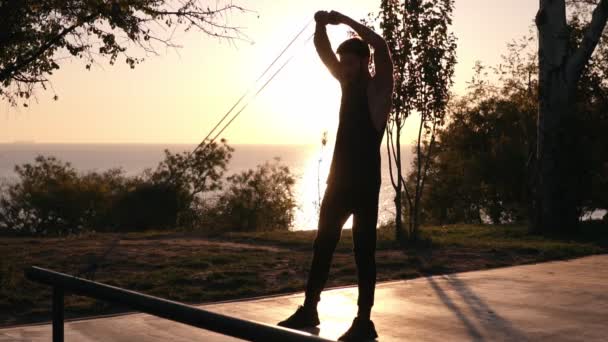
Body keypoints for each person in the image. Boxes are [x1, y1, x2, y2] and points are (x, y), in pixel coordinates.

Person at [278, 9, 394, 341]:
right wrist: (318, 26)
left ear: (362, 62)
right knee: (322, 244)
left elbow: (381, 46)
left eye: (349, 61)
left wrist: (343, 19)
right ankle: (309, 308)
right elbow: (323, 52)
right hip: (338, 182)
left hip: (364, 185)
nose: (342, 65)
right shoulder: (346, 83)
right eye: (342, 61)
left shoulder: (377, 91)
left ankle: (363, 321)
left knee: (363, 251)